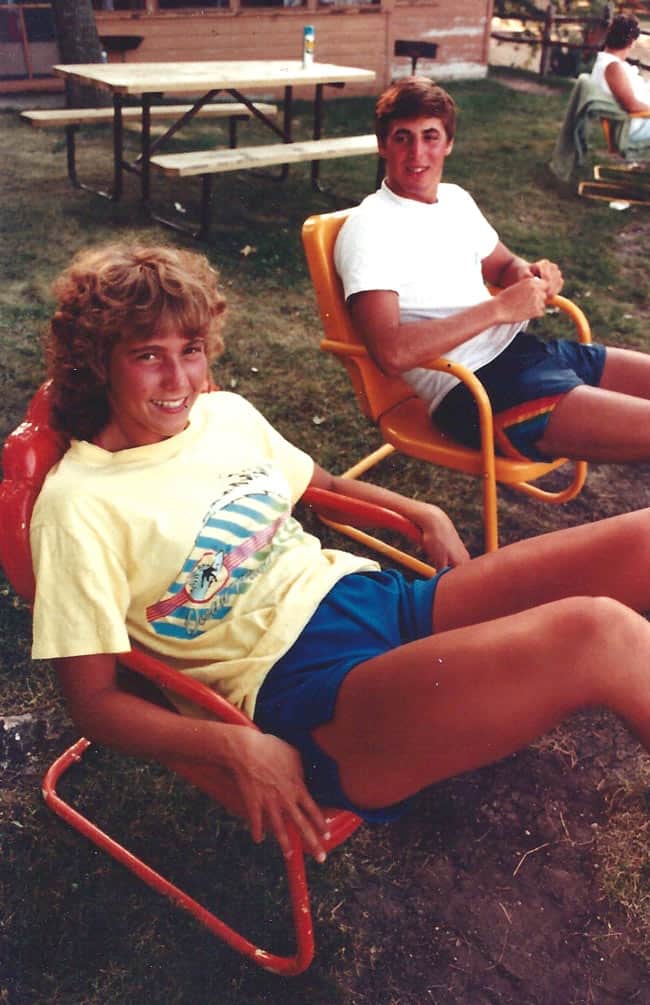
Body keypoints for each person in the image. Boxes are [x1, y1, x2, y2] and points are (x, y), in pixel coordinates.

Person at [30, 241, 650, 866]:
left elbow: (319, 486)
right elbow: (94, 702)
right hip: (307, 694)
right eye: (147, 356)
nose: (179, 380)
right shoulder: (79, 505)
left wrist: (422, 513)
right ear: (98, 362)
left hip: (379, 604)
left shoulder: (224, 415)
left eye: (190, 351)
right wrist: (233, 747)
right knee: (598, 634)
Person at [334, 76, 650, 465]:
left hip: (528, 354)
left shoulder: (454, 199)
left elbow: (502, 264)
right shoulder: (369, 228)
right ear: (383, 146)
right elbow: (392, 352)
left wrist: (528, 277)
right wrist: (500, 309)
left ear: (448, 143)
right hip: (473, 391)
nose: (417, 152)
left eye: (430, 136)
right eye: (402, 137)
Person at [590, 13, 650, 142]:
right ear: (631, 42)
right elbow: (632, 106)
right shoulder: (612, 67)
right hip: (635, 125)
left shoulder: (606, 61)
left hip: (639, 118)